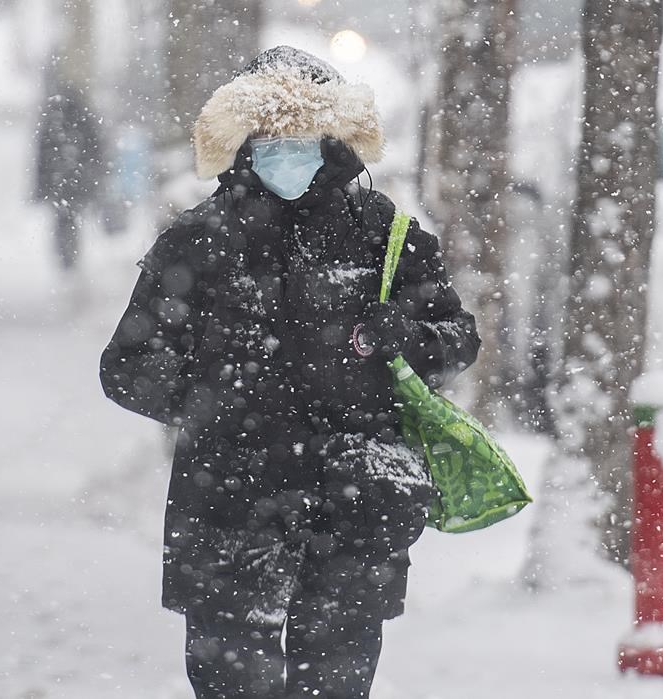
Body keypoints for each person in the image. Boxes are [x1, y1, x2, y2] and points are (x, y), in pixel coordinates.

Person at [100, 46, 480, 698]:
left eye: (302, 142)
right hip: (230, 500)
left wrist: (408, 336)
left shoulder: (384, 233)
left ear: (335, 141)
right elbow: (127, 364)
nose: (286, 157)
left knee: (335, 680)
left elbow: (458, 339)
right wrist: (210, 401)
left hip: (354, 499)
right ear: (241, 143)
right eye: (269, 142)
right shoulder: (200, 239)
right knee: (232, 680)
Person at [33, 56, 105, 271]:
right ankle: (69, 255)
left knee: (64, 218)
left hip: (62, 180)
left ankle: (66, 255)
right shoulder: (80, 115)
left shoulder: (53, 117)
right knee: (69, 218)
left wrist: (41, 185)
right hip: (74, 179)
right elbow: (95, 147)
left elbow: (42, 154)